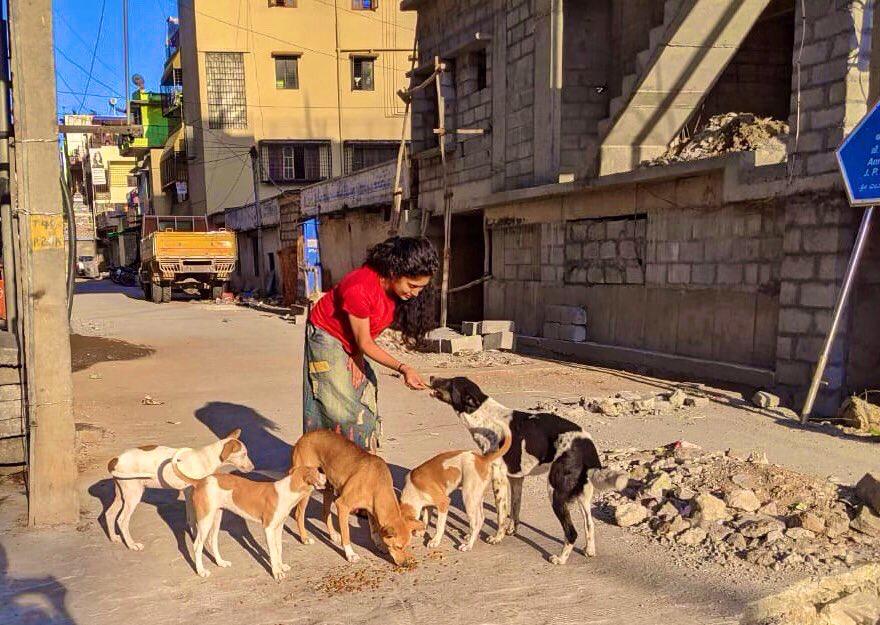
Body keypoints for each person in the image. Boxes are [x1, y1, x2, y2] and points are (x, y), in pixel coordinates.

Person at [303, 236, 439, 451]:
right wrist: (404, 368)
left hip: (354, 339)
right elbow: (365, 341)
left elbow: (365, 337)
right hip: (327, 334)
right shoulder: (360, 287)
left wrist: (356, 353)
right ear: (394, 272)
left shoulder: (395, 291)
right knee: (341, 406)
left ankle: (359, 457)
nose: (415, 293)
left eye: (421, 288)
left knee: (364, 397)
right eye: (412, 285)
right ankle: (333, 463)